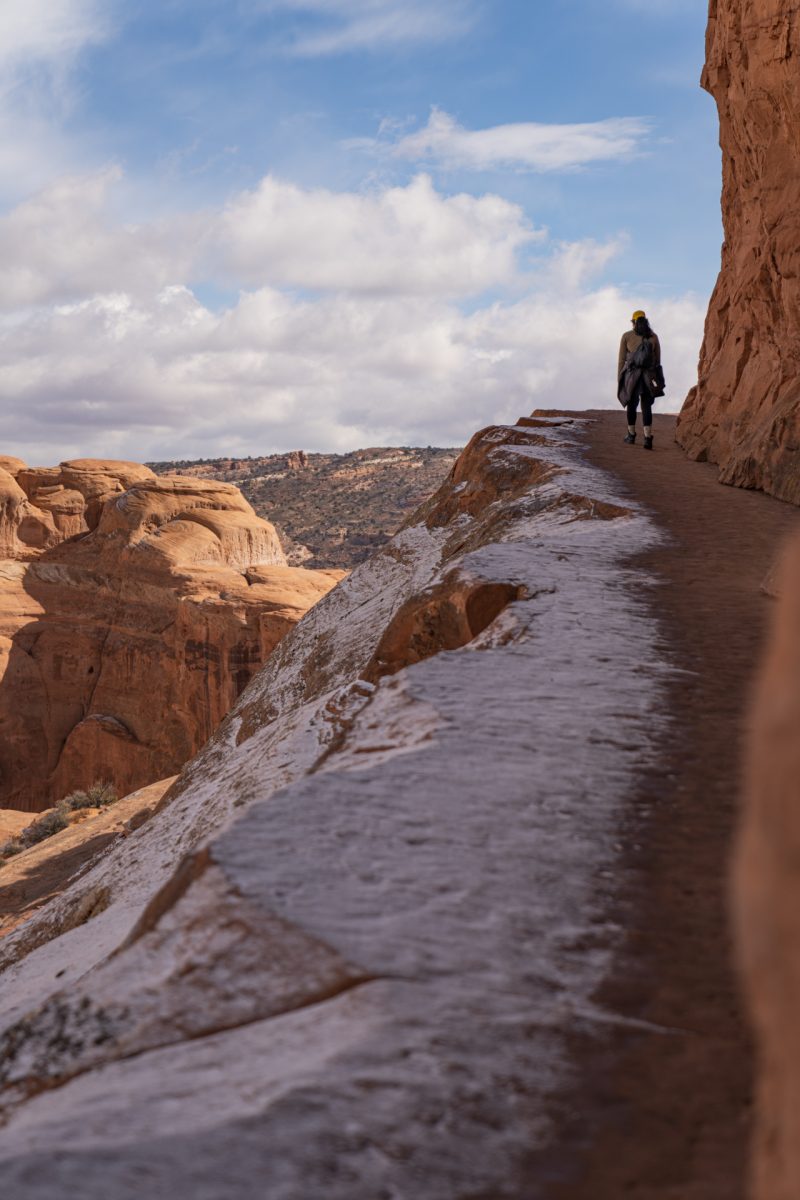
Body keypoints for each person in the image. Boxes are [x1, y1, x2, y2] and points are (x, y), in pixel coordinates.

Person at [617, 310, 662, 450]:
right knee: (646, 406)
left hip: (632, 377)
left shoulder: (627, 336)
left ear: (633, 322)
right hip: (648, 376)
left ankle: (631, 435)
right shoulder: (653, 337)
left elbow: (621, 360)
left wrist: (620, 377)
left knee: (632, 405)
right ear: (646, 320)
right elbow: (657, 360)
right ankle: (647, 438)